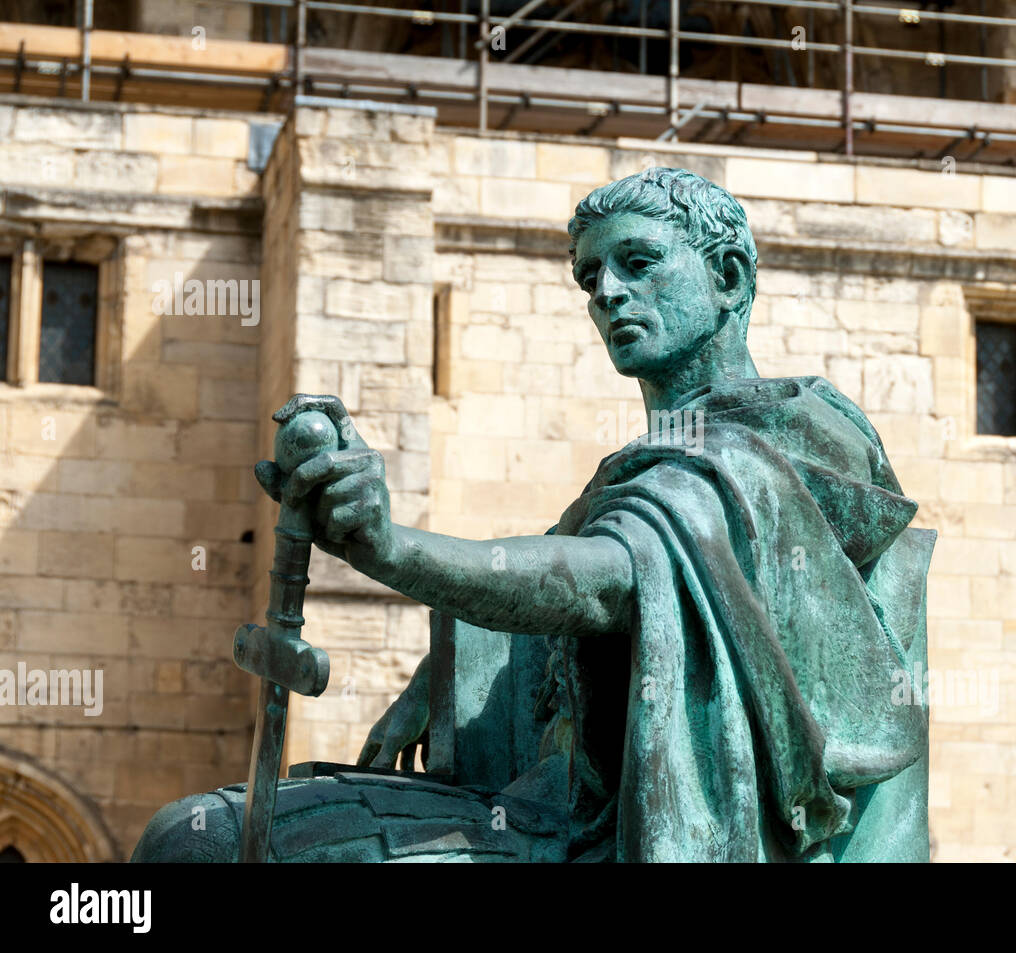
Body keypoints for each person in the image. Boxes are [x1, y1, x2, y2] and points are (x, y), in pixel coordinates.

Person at [133, 167, 932, 863]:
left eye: (638, 262)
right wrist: (445, 674)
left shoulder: (767, 454)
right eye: (590, 278)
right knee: (197, 837)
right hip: (545, 807)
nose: (608, 291)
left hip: (603, 834)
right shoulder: (649, 468)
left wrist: (387, 546)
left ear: (728, 277)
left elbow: (595, 584)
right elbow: (558, 601)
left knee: (198, 844)